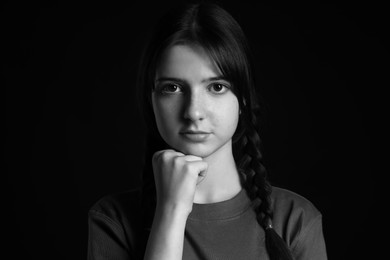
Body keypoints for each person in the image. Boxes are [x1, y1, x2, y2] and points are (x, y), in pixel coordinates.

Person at [87, 2, 327, 260]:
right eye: (172, 88)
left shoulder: (295, 220)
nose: (193, 111)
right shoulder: (113, 220)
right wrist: (171, 211)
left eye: (216, 87)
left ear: (243, 99)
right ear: (151, 99)